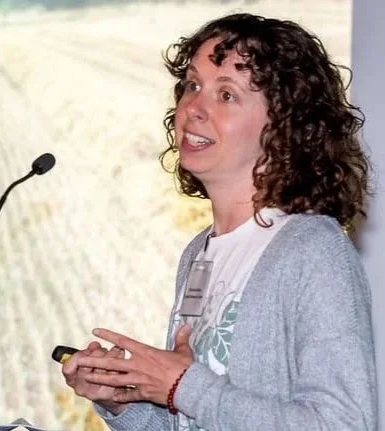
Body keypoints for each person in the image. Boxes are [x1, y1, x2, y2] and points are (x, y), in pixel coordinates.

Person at [60, 13, 377, 430]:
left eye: (226, 95)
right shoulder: (199, 252)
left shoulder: (313, 251)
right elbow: (194, 419)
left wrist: (183, 385)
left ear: (284, 127)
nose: (193, 108)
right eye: (192, 85)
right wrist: (121, 401)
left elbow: (345, 424)